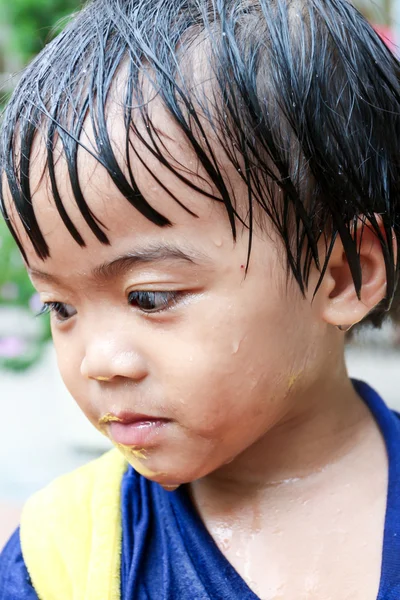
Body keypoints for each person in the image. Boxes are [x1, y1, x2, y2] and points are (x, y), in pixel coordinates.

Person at [1, 0, 400, 597]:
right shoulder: (62, 557)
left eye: (150, 297)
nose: (97, 361)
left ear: (343, 275)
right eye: (61, 307)